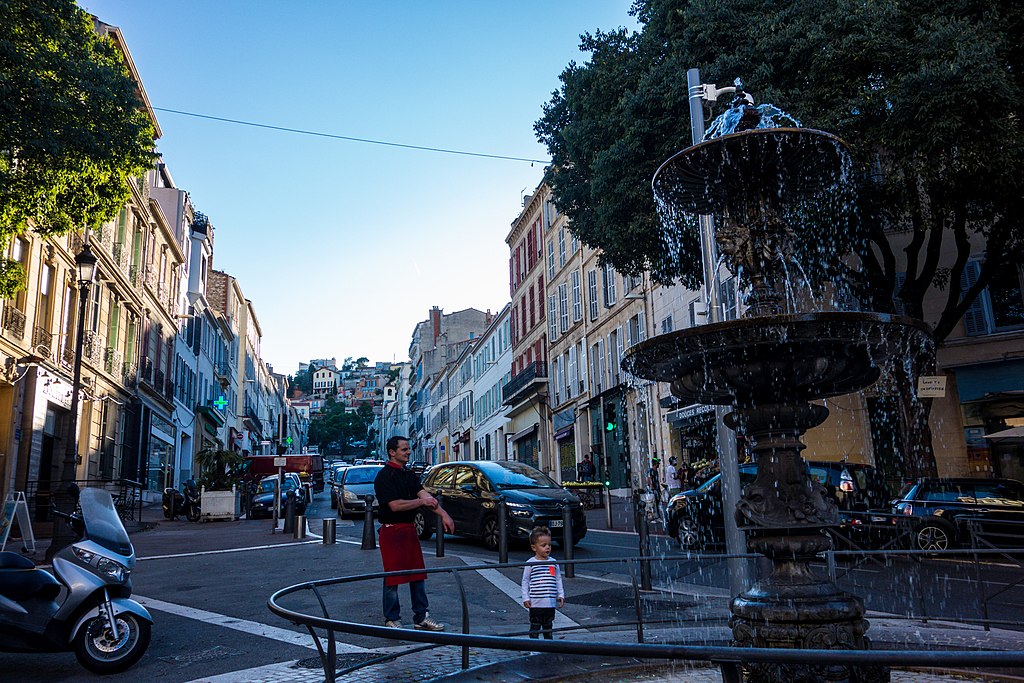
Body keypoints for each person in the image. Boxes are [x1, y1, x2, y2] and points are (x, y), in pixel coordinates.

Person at [374, 435, 455, 631]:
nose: (409, 452)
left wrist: (444, 514)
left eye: (408, 449)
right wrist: (422, 502)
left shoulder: (409, 475)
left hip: (409, 529)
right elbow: (395, 506)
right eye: (404, 449)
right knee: (393, 577)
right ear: (392, 452)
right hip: (392, 531)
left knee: (418, 574)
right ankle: (391, 618)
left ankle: (421, 616)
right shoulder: (384, 477)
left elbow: (425, 496)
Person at [520, 526, 564, 640]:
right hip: (536, 602)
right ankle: (534, 648)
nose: (547, 548)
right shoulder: (530, 563)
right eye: (543, 545)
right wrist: (526, 598)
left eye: (549, 545)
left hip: (550, 602)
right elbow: (525, 581)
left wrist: (560, 594)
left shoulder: (553, 562)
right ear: (534, 547)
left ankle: (548, 647)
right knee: (535, 626)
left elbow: (558, 579)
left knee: (548, 627)